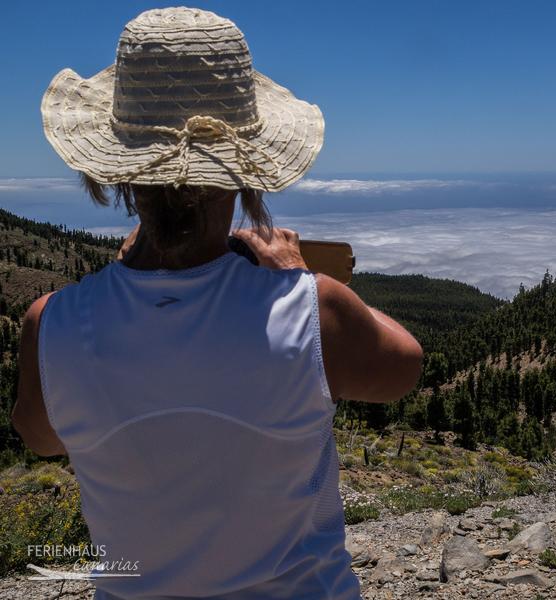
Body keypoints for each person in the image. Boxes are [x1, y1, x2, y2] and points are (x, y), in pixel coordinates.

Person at [11, 7, 422, 599]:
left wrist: (118, 279)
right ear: (241, 172)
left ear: (121, 175)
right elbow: (403, 368)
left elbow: (42, 437)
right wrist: (299, 276)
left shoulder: (52, 324)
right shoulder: (312, 312)